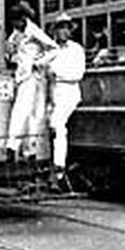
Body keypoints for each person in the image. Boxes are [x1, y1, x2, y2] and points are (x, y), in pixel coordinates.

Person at [5, 0, 57, 162]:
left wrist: (38, 62)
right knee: (23, 110)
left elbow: (54, 48)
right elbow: (10, 54)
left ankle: (28, 149)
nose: (15, 24)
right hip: (24, 76)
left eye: (16, 21)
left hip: (36, 76)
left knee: (35, 113)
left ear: (22, 19)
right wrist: (12, 56)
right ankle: (14, 147)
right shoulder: (15, 34)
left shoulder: (34, 31)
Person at [39, 13, 86, 185]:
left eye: (67, 28)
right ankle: (43, 165)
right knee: (41, 124)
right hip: (50, 92)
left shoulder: (76, 49)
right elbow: (39, 67)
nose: (64, 32)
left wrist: (56, 74)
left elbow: (77, 74)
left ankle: (58, 169)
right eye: (61, 28)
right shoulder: (49, 49)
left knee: (57, 124)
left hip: (69, 93)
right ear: (55, 31)